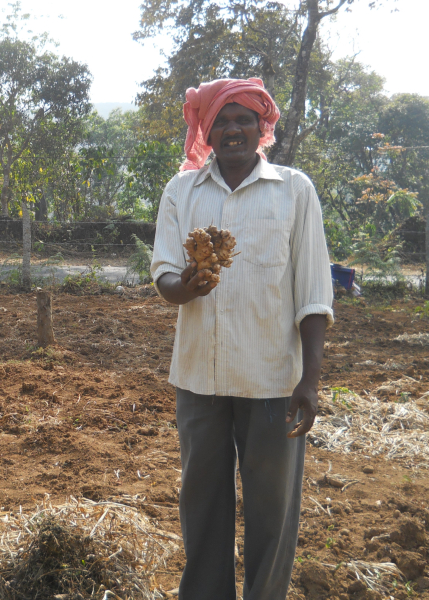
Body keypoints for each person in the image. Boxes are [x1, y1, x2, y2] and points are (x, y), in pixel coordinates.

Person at [150, 78, 333, 600]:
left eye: (243, 119)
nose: (232, 129)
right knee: (201, 502)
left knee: (271, 508)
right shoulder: (181, 191)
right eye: (221, 121)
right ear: (206, 130)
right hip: (199, 379)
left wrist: (310, 380)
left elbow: (313, 289)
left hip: (273, 378)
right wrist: (185, 287)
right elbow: (164, 273)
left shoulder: (294, 190)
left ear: (262, 128)